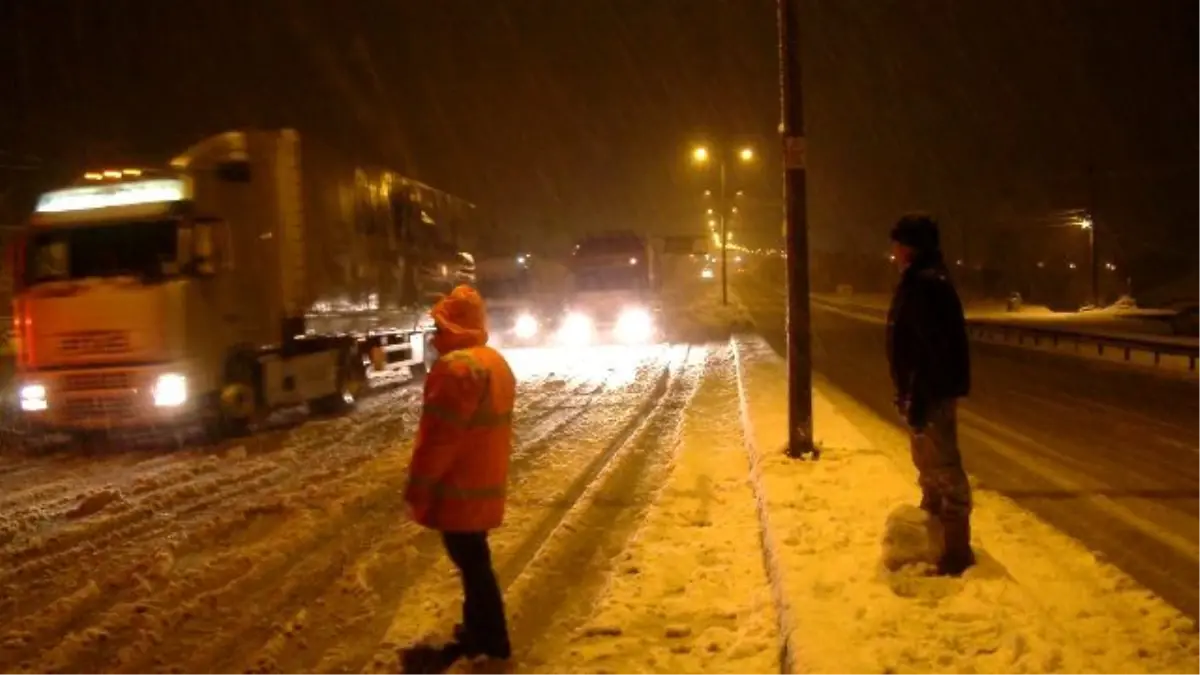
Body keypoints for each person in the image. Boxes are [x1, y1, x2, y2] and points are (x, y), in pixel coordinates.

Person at [405, 284, 516, 668]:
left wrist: (418, 489)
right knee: (474, 560)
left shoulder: (456, 369)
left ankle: (492, 639)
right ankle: (479, 631)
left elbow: (439, 440)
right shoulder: (492, 361)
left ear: (454, 326)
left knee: (472, 563)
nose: (434, 337)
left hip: (459, 487)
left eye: (439, 327)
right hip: (483, 481)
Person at [886, 214, 975, 576]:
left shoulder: (927, 286)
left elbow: (932, 350)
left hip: (931, 392)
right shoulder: (919, 282)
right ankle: (934, 537)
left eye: (898, 244)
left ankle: (956, 550)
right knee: (928, 468)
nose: (893, 252)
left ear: (911, 247)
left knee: (944, 470)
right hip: (921, 391)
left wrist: (919, 396)